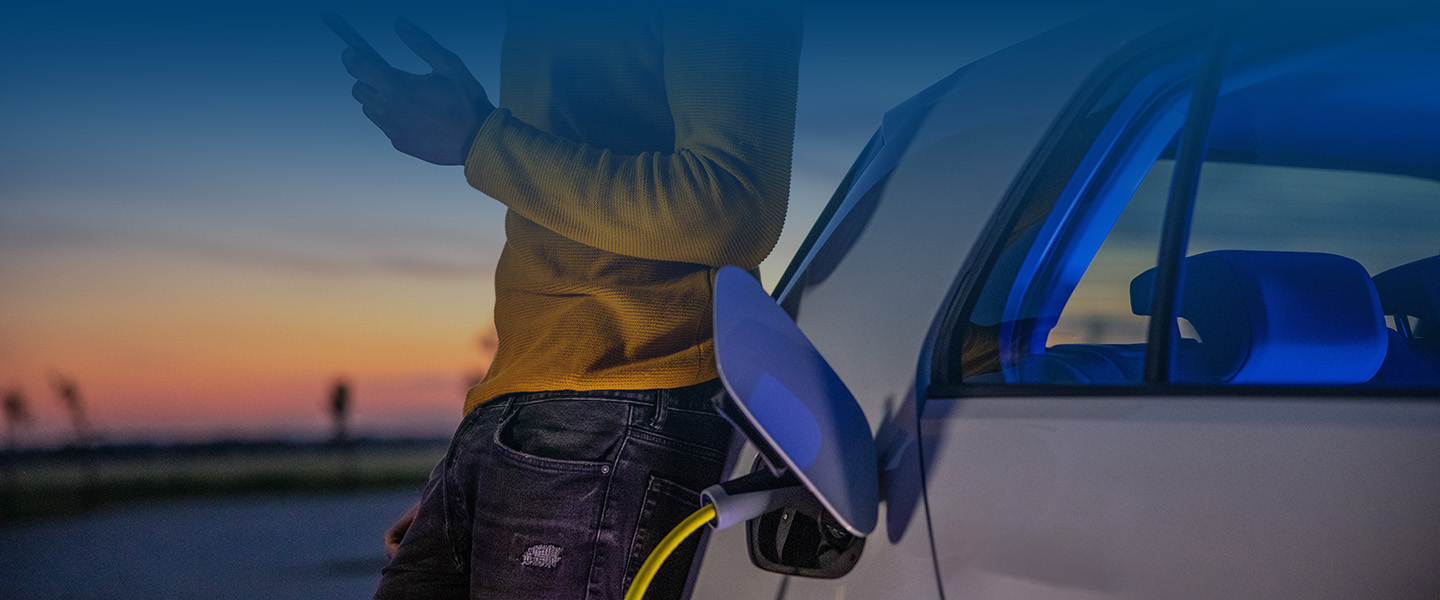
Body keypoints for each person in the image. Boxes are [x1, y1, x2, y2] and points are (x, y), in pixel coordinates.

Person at [327, 3, 802, 599]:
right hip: (527, 415)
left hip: (626, 402)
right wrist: (483, 459)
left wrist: (479, 138)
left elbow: (731, 204)